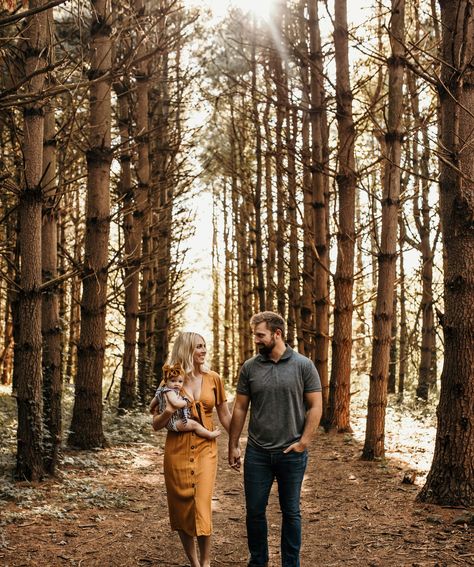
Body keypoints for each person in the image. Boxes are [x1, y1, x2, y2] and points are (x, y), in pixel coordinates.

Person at [228, 311, 322, 567]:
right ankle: (258, 561)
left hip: (291, 453)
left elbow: (315, 406)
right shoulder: (250, 367)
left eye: (260, 335)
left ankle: (291, 564)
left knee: (291, 512)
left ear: (277, 334)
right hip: (257, 453)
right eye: (255, 335)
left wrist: (303, 442)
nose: (256, 340)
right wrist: (234, 444)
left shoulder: (303, 365)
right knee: (255, 512)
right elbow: (239, 408)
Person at [152, 332, 231, 567]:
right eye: (199, 346)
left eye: (205, 346)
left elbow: (224, 414)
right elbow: (156, 424)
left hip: (206, 448)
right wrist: (168, 411)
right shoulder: (171, 380)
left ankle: (206, 563)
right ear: (187, 349)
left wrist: (235, 441)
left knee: (201, 502)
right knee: (181, 505)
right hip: (176, 449)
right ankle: (194, 563)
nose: (204, 350)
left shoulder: (214, 378)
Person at [150, 362, 221, 440]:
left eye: (180, 382)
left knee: (193, 424)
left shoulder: (162, 390)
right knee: (194, 425)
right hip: (173, 422)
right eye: (173, 381)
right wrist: (185, 403)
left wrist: (151, 408)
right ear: (166, 381)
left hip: (173, 420)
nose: (177, 384)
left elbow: (155, 399)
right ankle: (209, 435)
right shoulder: (170, 391)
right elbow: (175, 403)